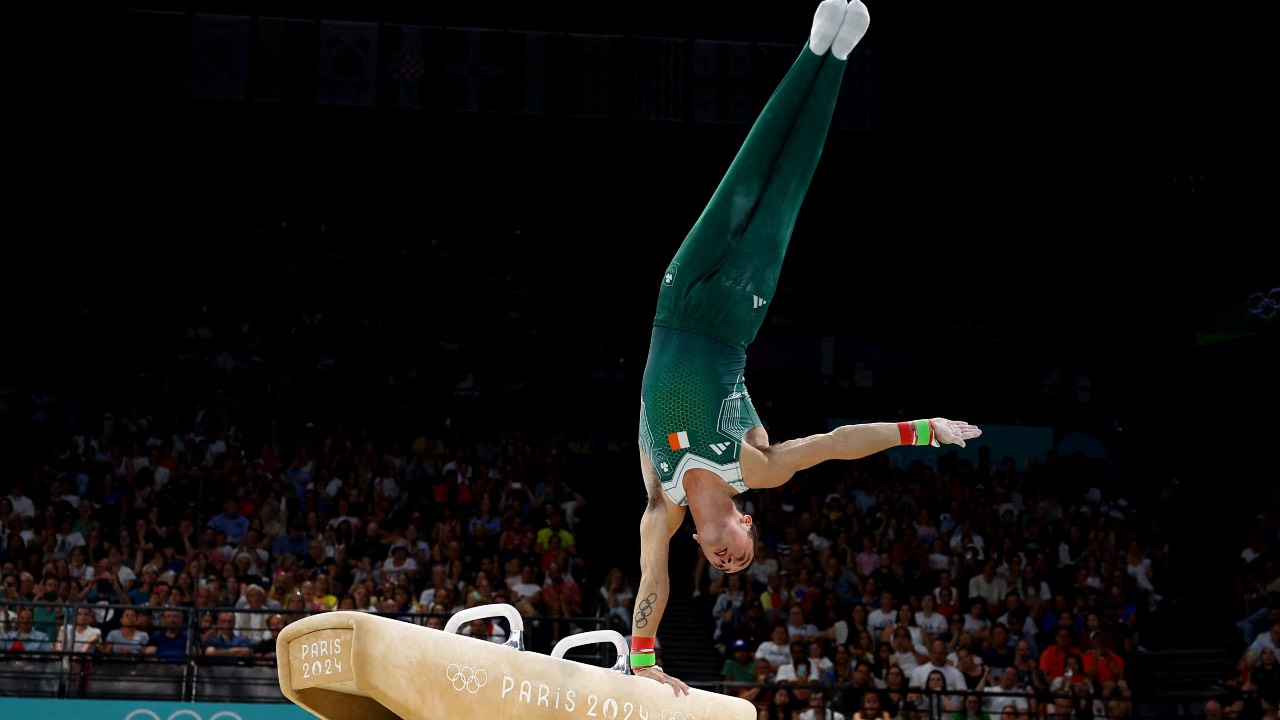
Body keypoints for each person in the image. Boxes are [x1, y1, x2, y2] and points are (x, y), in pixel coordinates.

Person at [629, 2, 982, 693]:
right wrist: (921, 431)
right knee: (782, 188)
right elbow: (836, 440)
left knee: (743, 177)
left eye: (725, 564)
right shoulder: (754, 471)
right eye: (744, 557)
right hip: (734, 318)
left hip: (675, 306)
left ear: (707, 541)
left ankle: (812, 50)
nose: (733, 562)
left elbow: (652, 580)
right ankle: (834, 57)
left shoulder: (661, 502)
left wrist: (644, 659)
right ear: (745, 521)